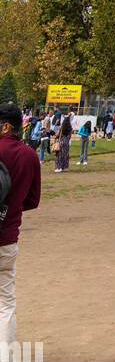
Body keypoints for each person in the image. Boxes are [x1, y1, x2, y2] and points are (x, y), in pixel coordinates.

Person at [0, 103, 42, 347]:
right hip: (7, 239)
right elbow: (33, 200)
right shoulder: (29, 155)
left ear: (6, 126)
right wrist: (11, 207)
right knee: (5, 304)